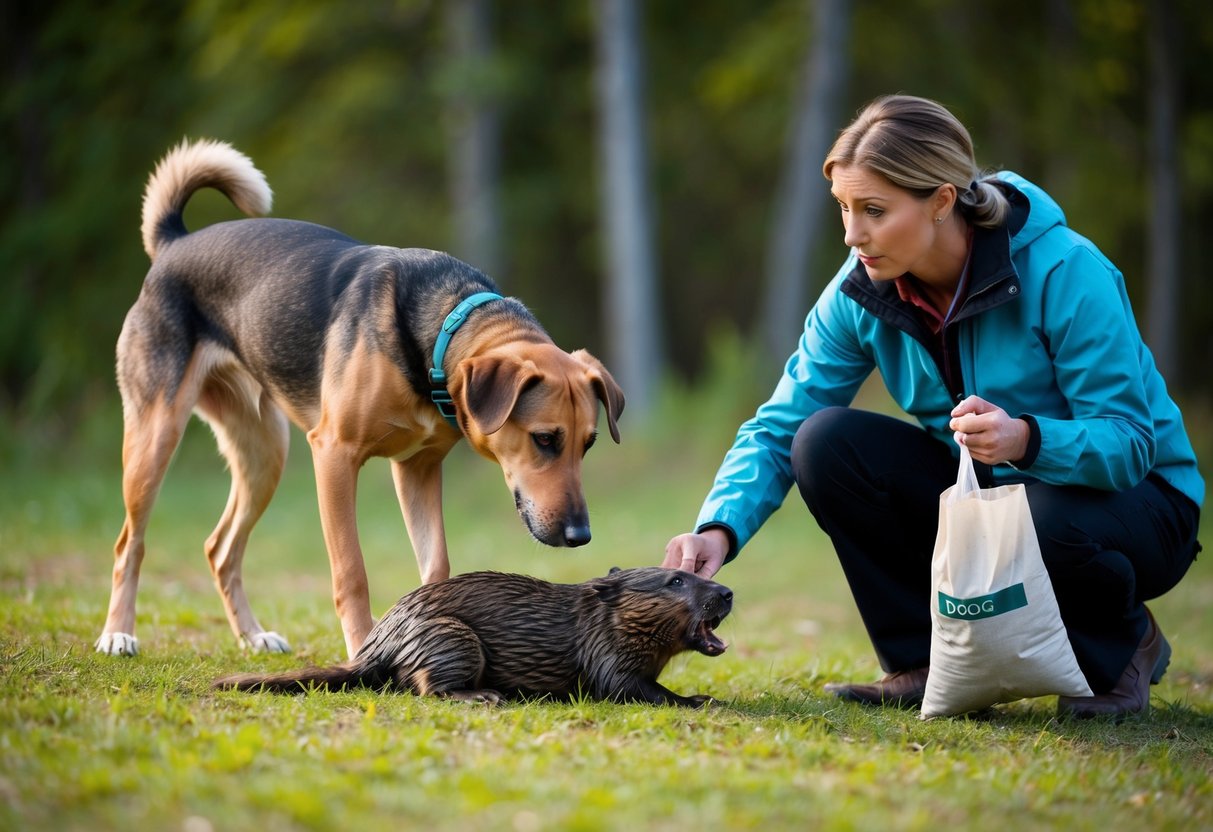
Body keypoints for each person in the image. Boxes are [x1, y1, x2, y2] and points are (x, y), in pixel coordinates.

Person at [662, 94, 1204, 718]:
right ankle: (924, 662)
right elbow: (780, 426)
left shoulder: (1068, 271)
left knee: (1038, 516)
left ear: (942, 201)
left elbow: (1131, 442)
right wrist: (718, 527)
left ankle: (1123, 643)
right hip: (999, 491)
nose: (852, 234)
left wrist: (1028, 439)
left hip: (1143, 503)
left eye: (874, 210)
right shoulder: (858, 290)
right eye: (843, 208)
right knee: (825, 443)